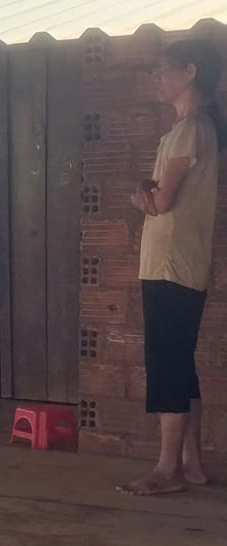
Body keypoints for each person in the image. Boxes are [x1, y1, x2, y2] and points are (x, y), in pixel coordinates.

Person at [118, 39, 227, 496]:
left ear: (191, 71)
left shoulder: (190, 130)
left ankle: (167, 470)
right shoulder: (194, 128)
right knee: (180, 361)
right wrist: (149, 193)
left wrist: (140, 196)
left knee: (166, 363)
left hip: (169, 264)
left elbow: (161, 202)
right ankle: (191, 463)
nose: (157, 79)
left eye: (163, 69)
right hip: (183, 263)